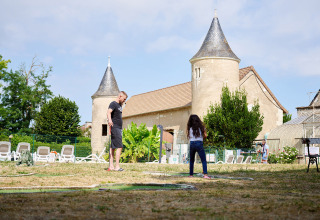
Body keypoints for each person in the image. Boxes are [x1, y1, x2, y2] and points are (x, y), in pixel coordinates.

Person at [106, 91, 128, 171]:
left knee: (113, 148)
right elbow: (108, 112)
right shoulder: (113, 104)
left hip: (118, 128)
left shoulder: (119, 105)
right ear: (120, 96)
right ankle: (117, 166)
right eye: (124, 99)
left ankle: (111, 166)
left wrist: (123, 104)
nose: (124, 100)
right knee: (119, 146)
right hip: (115, 128)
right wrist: (110, 120)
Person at [187, 114, 210, 179]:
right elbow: (205, 135)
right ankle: (205, 174)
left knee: (191, 160)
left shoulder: (190, 128)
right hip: (199, 143)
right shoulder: (202, 127)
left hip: (192, 143)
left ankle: (191, 174)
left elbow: (189, 137)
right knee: (203, 160)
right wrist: (202, 139)